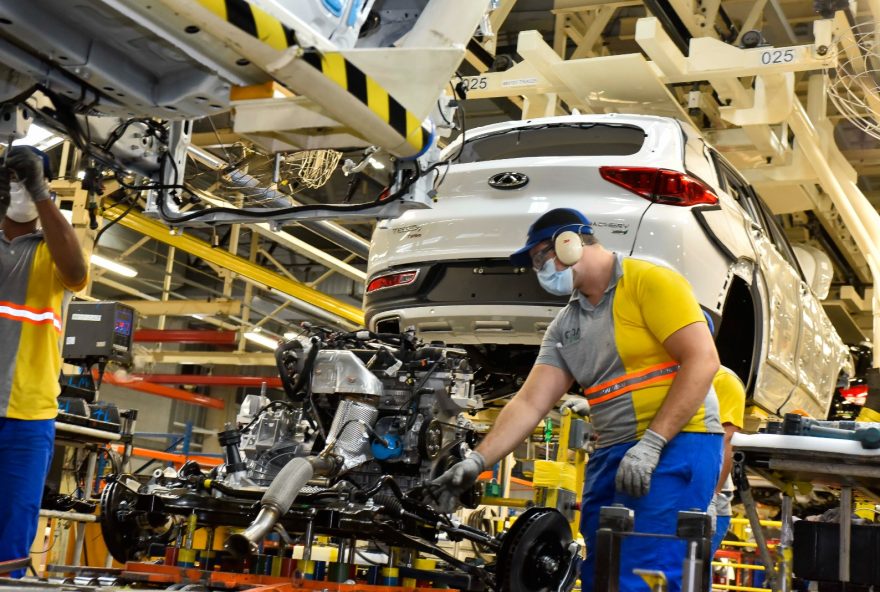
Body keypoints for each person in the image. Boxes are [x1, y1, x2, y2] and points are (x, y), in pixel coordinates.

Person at [429, 208, 723, 592]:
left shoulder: (650, 281)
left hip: (677, 443)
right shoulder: (565, 326)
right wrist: (477, 461)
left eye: (539, 257)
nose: (538, 270)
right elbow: (530, 403)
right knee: (601, 570)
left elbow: (703, 360)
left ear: (569, 243)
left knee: (646, 569)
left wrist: (653, 442)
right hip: (614, 451)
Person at [0, 147, 88, 577]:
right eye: (11, 179)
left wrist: (40, 197)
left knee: (10, 543)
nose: (16, 188)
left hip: (27, 418)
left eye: (27, 179)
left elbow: (76, 270)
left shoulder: (53, 245)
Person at [707, 362, 746, 558]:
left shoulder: (722, 379)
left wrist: (711, 496)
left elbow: (726, 442)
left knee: (688, 575)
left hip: (708, 500)